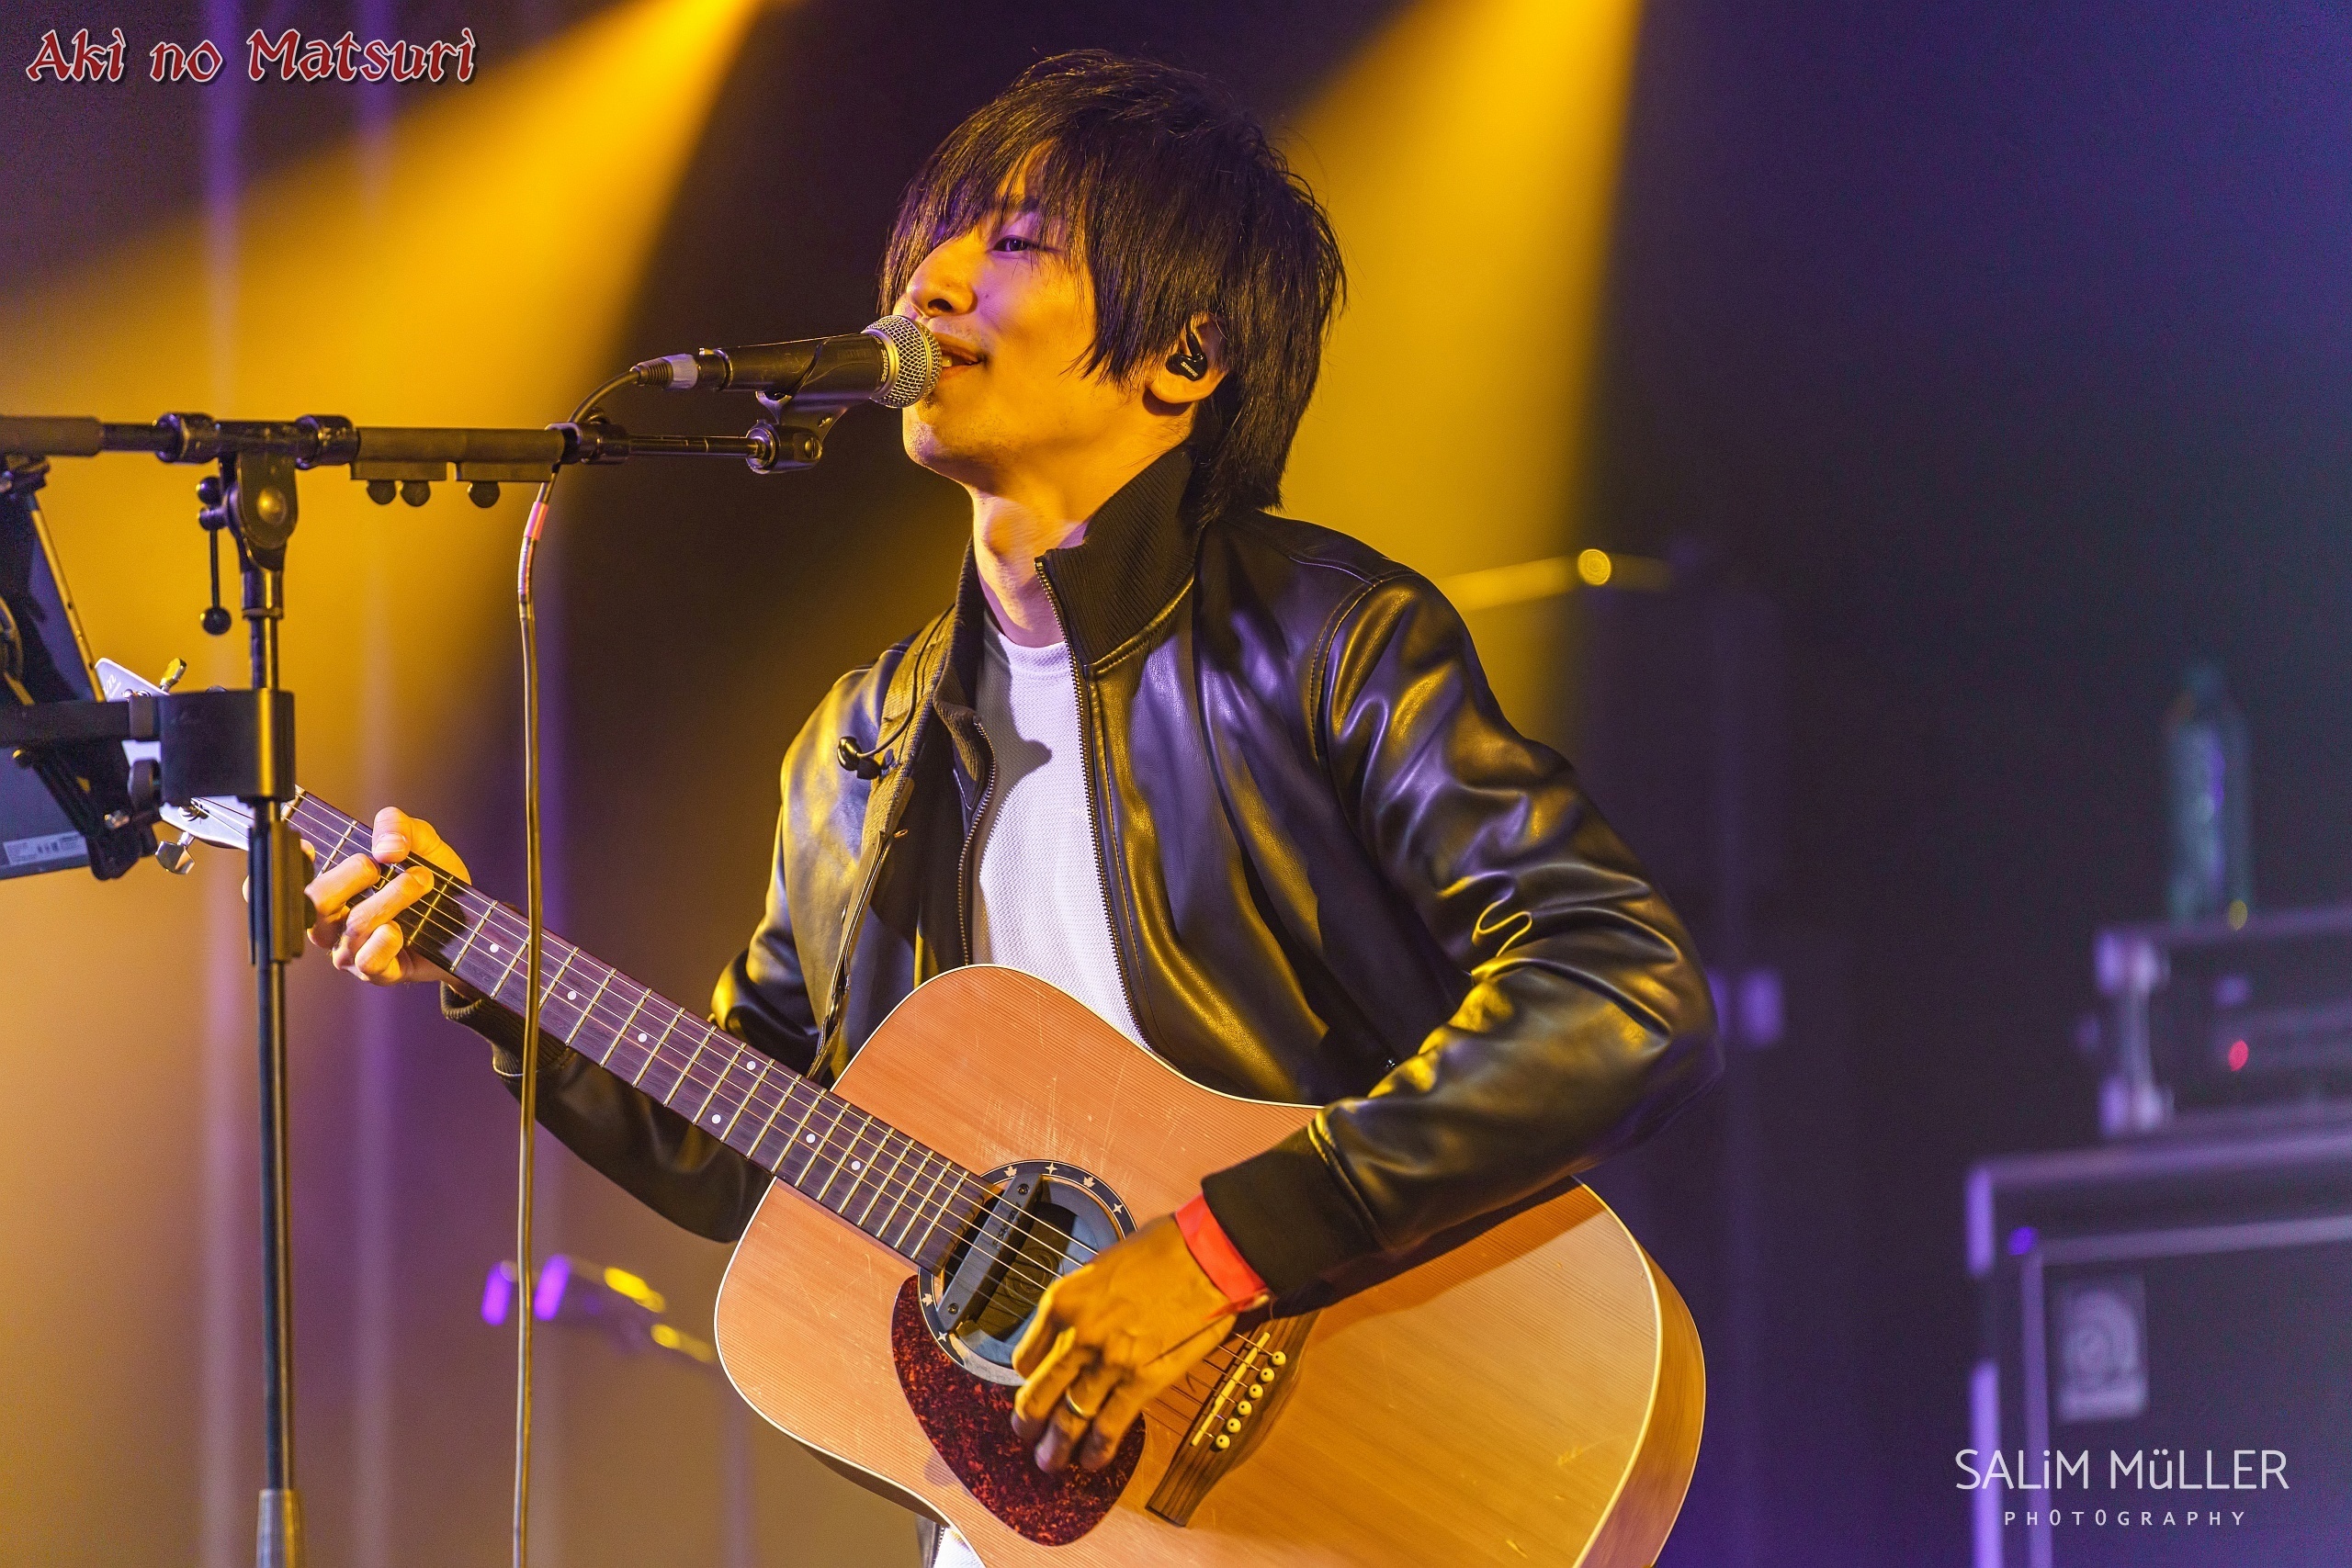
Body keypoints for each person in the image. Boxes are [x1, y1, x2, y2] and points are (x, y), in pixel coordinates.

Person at [300, 51, 1720, 1566]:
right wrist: (475, 962)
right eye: (933, 238)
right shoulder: (859, 747)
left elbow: (1621, 990)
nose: (931, 280)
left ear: (1185, 355)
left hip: (1346, 1478)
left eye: (1019, 241)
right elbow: (750, 1147)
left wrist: (1222, 1250)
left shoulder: (1325, 642)